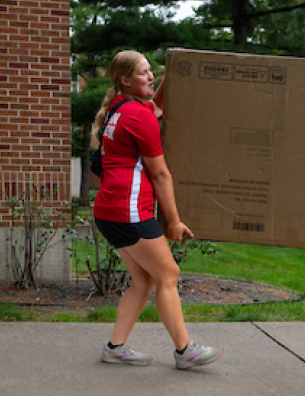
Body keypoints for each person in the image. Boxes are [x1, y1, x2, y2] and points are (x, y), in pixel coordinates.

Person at [92, 50, 223, 369]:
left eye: (153, 72)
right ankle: (185, 351)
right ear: (125, 79)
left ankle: (115, 348)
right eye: (144, 73)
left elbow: (157, 107)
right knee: (168, 274)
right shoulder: (138, 116)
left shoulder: (120, 109)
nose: (151, 77)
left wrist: (175, 75)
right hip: (129, 211)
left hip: (109, 210)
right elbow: (161, 174)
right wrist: (174, 221)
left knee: (144, 281)